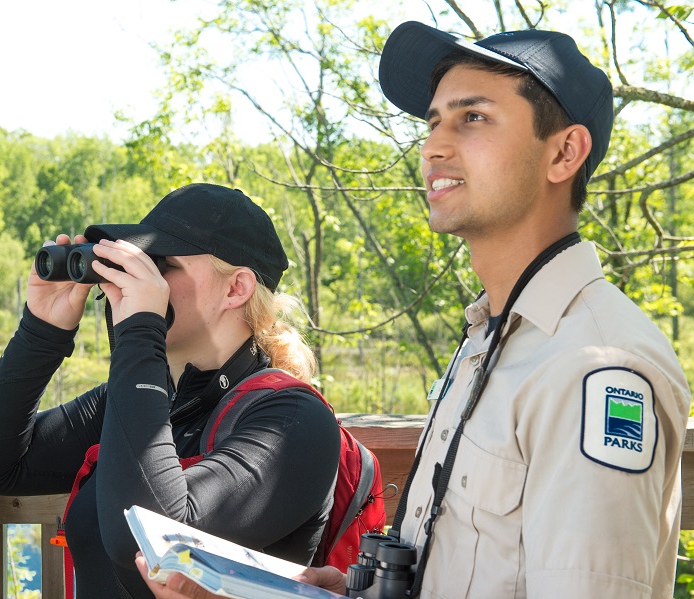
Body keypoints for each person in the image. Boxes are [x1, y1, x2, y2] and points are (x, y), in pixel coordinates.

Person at [140, 21, 692, 599]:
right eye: (433, 122)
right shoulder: (492, 338)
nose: (433, 146)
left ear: (563, 152)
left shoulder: (596, 366)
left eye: (472, 117)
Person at [0, 183, 341, 598]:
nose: (136, 278)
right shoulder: (151, 400)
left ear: (236, 288)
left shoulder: (293, 422)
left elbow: (148, 545)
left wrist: (140, 333)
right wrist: (41, 332)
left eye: (160, 264)